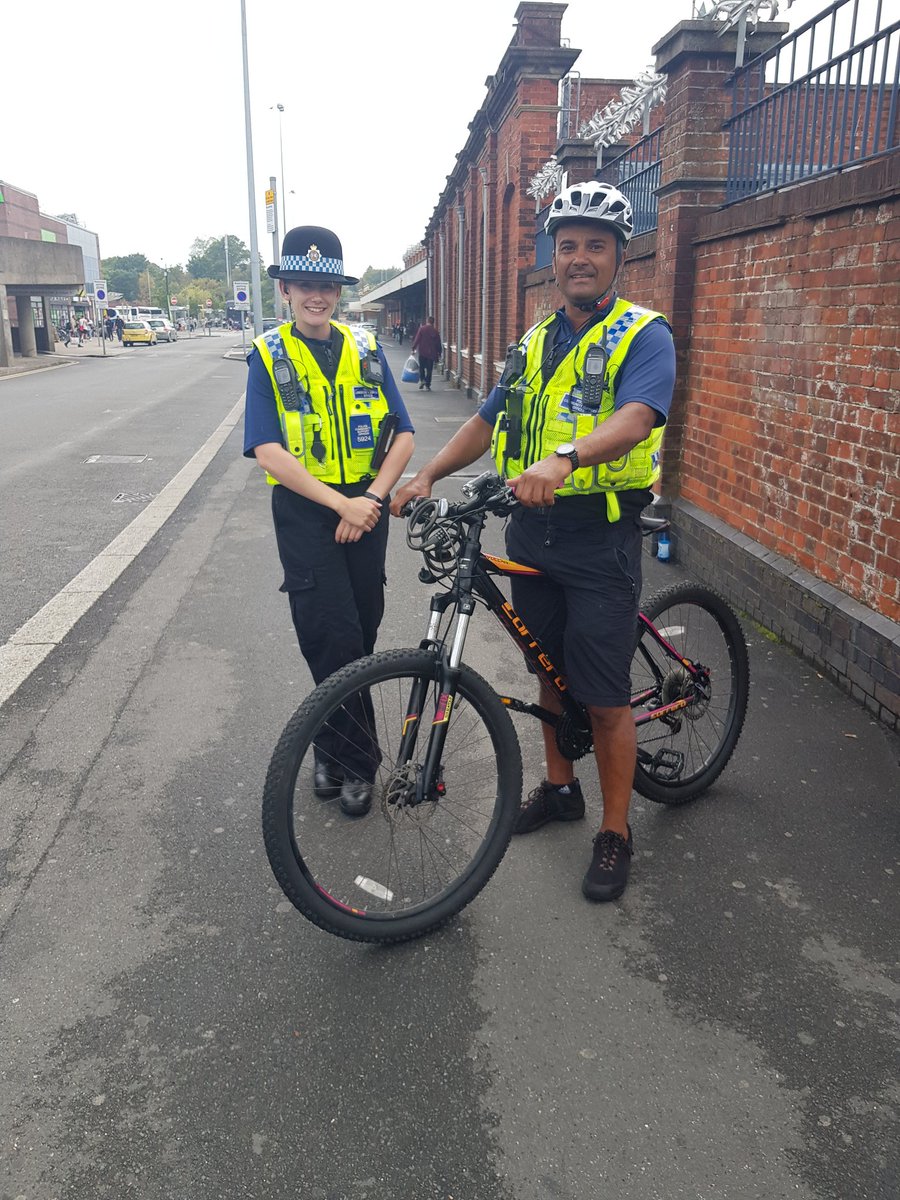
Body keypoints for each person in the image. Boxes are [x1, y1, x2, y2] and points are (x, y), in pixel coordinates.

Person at [392, 181, 675, 902]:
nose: (580, 258)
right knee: (547, 668)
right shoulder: (535, 340)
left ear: (619, 256)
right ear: (555, 256)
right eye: (569, 246)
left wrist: (568, 458)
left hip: (599, 535)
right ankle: (560, 788)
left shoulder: (645, 334)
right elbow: (487, 421)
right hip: (531, 534)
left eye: (596, 247)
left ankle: (616, 831)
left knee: (605, 696)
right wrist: (428, 473)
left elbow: (637, 418)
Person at [244, 225, 415, 817]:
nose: (316, 295)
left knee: (361, 635)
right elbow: (269, 451)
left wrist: (368, 499)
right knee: (330, 639)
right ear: (286, 289)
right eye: (304, 285)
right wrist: (339, 505)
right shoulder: (268, 355)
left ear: (338, 289)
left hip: (365, 508)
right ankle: (355, 761)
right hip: (308, 515)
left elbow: (404, 435)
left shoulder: (366, 349)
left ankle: (326, 745)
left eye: (327, 285)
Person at [412, 316, 443, 391]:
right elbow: (438, 343)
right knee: (429, 369)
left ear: (427, 321)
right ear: (433, 322)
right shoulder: (435, 331)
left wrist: (413, 348)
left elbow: (417, 339)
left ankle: (422, 380)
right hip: (431, 353)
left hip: (422, 352)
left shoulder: (422, 329)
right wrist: (439, 352)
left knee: (421, 368)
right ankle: (428, 384)